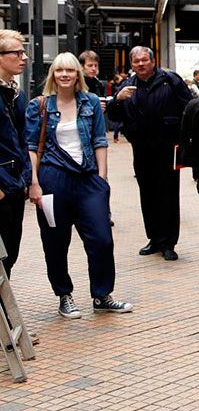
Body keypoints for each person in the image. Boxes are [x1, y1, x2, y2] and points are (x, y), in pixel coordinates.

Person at [26, 53, 132, 318]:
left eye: (69, 70)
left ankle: (102, 295)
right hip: (52, 179)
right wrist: (34, 183)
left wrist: (102, 180)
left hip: (87, 179)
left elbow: (99, 140)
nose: (64, 74)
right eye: (59, 70)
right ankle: (64, 295)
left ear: (77, 74)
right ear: (53, 75)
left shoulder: (91, 102)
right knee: (55, 240)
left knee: (101, 238)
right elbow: (31, 148)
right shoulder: (39, 106)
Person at [107, 46, 192, 261]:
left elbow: (190, 108)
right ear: (132, 65)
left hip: (167, 147)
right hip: (142, 148)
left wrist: (185, 137)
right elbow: (114, 116)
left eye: (145, 60)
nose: (141, 65)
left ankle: (169, 242)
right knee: (148, 194)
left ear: (153, 61)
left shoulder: (170, 80)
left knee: (168, 194)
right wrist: (117, 99)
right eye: (136, 62)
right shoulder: (127, 85)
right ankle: (154, 238)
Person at [0, 30, 30, 279]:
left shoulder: (16, 94)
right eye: (17, 53)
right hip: (2, 182)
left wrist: (27, 180)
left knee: (10, 252)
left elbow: (22, 141)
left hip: (15, 184)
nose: (24, 57)